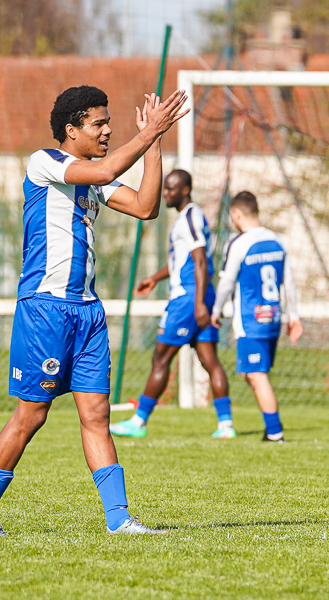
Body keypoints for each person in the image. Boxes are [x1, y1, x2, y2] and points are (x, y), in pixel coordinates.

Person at [0, 86, 188, 537]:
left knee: (97, 415)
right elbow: (105, 168)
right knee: (32, 415)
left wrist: (155, 141)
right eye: (98, 124)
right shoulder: (45, 162)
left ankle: (119, 520)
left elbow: (146, 207)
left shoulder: (90, 181)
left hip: (87, 312)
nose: (108, 130)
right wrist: (150, 132)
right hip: (46, 309)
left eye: (108, 122)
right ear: (71, 130)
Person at [109, 169, 233, 439]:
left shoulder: (190, 216)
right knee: (209, 359)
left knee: (161, 358)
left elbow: (200, 261)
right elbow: (184, 260)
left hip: (188, 298)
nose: (165, 193)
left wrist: (199, 303)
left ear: (185, 190)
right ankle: (226, 425)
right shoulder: (187, 218)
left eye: (170, 189)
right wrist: (155, 277)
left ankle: (138, 422)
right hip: (196, 295)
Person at [210, 191, 302, 442]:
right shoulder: (277, 241)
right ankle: (271, 428)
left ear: (236, 214)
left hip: (251, 321)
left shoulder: (239, 244)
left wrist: (215, 311)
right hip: (273, 318)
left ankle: (275, 432)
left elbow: (227, 282)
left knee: (256, 375)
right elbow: (289, 282)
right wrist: (294, 316)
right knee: (253, 373)